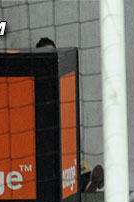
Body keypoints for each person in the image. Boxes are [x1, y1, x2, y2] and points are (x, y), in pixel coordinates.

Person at [36, 36, 104, 193]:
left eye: (52, 54)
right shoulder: (34, 83)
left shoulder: (64, 79)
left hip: (63, 138)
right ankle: (84, 185)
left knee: (73, 160)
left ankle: (88, 182)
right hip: (44, 143)